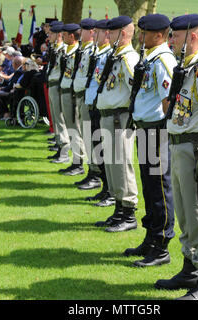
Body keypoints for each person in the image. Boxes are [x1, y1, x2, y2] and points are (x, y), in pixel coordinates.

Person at [154, 13, 198, 300]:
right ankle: (190, 267)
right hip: (179, 144)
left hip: (194, 148)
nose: (170, 40)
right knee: (183, 211)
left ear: (192, 36)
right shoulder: (185, 67)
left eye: (175, 36)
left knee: (197, 214)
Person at [122, 13, 176, 268]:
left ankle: (161, 245)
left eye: (143, 33)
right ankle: (150, 238)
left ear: (158, 35)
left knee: (160, 190)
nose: (139, 37)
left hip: (157, 131)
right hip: (146, 129)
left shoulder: (164, 60)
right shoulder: (151, 57)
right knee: (149, 186)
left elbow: (168, 100)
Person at [93, 16, 139, 231]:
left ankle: (128, 212)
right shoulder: (116, 56)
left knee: (121, 165)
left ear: (123, 33)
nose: (106, 35)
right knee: (112, 165)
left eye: (111, 32)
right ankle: (119, 208)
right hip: (109, 116)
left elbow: (136, 91)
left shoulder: (129, 59)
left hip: (120, 118)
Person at [72, 18, 104, 191]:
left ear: (91, 32)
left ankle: (95, 173)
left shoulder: (93, 51)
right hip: (84, 96)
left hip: (90, 98)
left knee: (92, 138)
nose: (80, 33)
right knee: (87, 135)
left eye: (83, 30)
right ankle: (92, 171)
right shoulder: (86, 50)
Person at [83, 19, 113, 206]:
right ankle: (105, 187)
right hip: (93, 104)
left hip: (101, 107)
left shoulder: (109, 55)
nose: (95, 35)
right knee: (97, 147)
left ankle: (110, 190)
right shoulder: (98, 53)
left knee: (104, 151)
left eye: (99, 32)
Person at [58, 23, 86, 176]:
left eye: (65, 34)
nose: (62, 37)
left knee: (75, 129)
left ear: (72, 36)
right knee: (70, 128)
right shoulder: (69, 51)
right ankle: (76, 161)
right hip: (66, 90)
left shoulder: (77, 52)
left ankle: (78, 162)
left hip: (72, 93)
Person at [46, 21, 71, 164]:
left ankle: (64, 151)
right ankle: (59, 145)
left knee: (60, 119)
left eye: (52, 33)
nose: (49, 35)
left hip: (57, 85)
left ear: (59, 35)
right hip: (52, 84)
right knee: (55, 118)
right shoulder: (55, 48)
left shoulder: (63, 51)